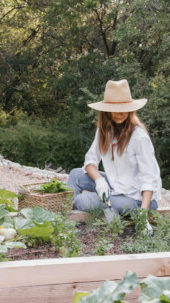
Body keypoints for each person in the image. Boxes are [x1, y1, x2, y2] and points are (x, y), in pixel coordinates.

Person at [67, 79, 162, 215]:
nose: (120, 113)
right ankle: (74, 213)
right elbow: (90, 161)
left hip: (137, 199)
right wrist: (100, 181)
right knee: (75, 175)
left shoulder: (139, 137)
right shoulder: (103, 132)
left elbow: (149, 179)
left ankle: (87, 208)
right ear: (106, 111)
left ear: (130, 110)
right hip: (115, 185)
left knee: (82, 200)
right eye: (115, 109)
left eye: (124, 109)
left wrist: (143, 215)